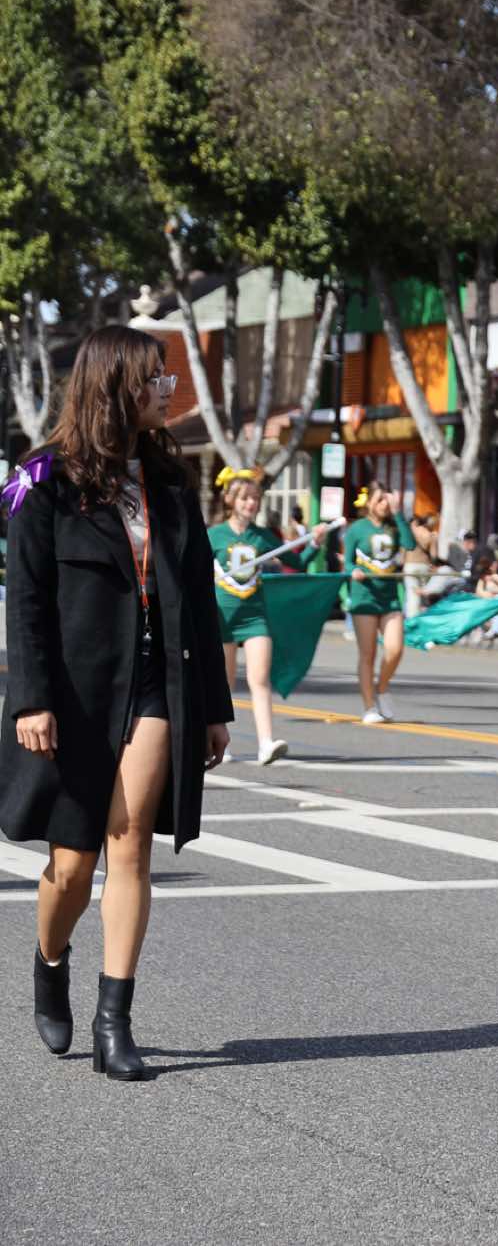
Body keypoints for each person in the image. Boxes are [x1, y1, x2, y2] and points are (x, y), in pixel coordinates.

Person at [1, 325, 232, 1080]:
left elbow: (198, 596)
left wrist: (214, 705)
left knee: (129, 844)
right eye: (155, 377)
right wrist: (30, 700)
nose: (168, 388)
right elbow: (25, 600)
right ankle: (49, 960)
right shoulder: (41, 478)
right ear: (115, 385)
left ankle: (113, 1024)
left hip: (158, 683)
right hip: (73, 694)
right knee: (72, 865)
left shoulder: (172, 480)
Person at [209, 469, 331, 763]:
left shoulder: (263, 536)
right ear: (230, 500)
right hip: (222, 616)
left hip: (254, 617)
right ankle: (221, 742)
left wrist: (315, 542)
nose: (251, 503)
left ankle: (266, 742)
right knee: (224, 684)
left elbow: (298, 562)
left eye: (255, 498)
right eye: (244, 498)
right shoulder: (213, 535)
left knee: (260, 678)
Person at [342, 482, 416, 723]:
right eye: (380, 500)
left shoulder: (394, 526)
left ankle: (382, 687)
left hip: (390, 598)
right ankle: (369, 706)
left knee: (395, 649)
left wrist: (398, 513)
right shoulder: (356, 529)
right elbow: (347, 562)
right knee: (368, 654)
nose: (384, 504)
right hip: (364, 597)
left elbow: (410, 544)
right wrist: (353, 571)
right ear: (369, 503)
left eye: (387, 499)